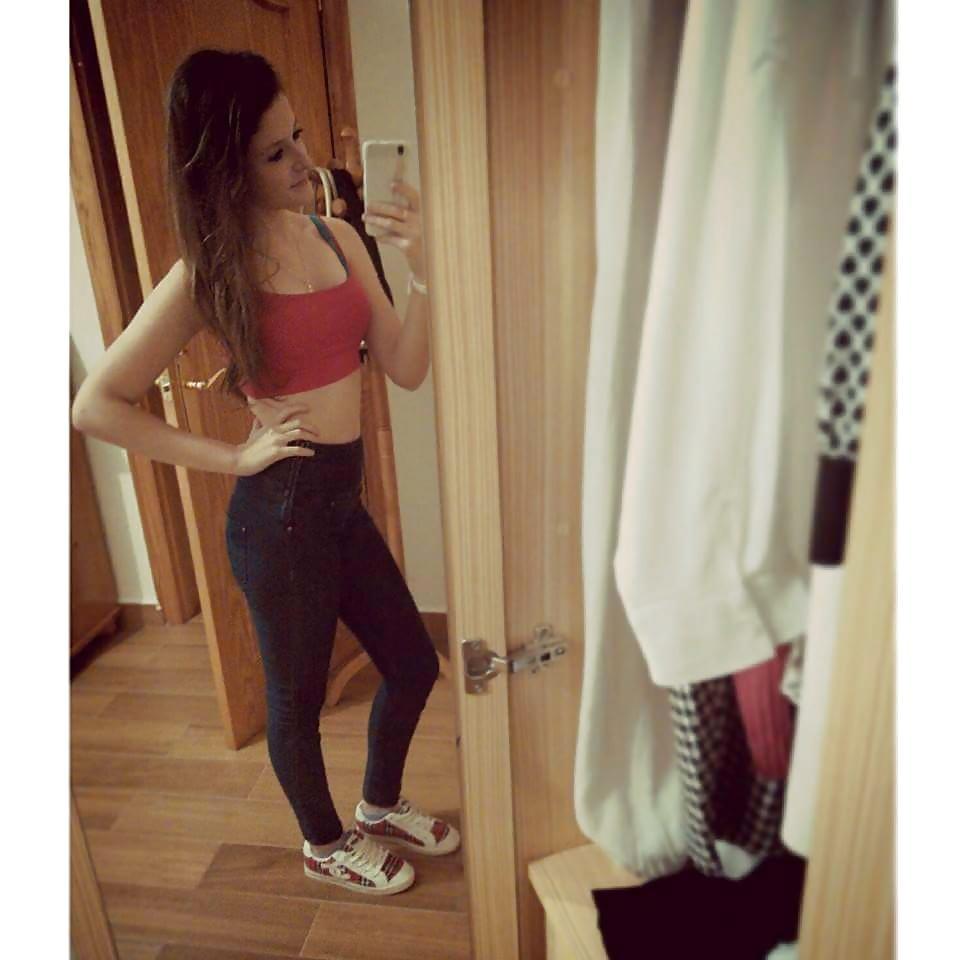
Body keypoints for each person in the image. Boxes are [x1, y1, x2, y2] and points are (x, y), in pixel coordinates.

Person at [72, 49, 459, 896]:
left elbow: (405, 367)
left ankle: (379, 804)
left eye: (299, 137)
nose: (302, 164)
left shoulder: (338, 236)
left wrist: (426, 268)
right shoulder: (207, 275)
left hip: (341, 502)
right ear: (225, 167)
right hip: (277, 514)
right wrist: (232, 457)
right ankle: (324, 844)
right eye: (275, 152)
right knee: (295, 701)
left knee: (413, 663)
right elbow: (96, 404)